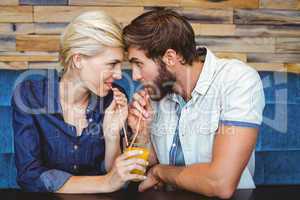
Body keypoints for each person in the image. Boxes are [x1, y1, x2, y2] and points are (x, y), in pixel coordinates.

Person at [124, 9, 265, 198]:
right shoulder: (160, 91)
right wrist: (142, 134)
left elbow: (220, 183)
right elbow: (147, 165)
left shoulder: (237, 79)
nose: (134, 76)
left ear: (170, 58)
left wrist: (160, 172)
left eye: (138, 64)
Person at [11, 11, 147, 193]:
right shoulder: (30, 96)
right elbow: (29, 175)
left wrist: (112, 136)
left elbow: (116, 175)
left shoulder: (113, 97)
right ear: (78, 59)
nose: (119, 74)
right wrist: (105, 183)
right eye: (111, 64)